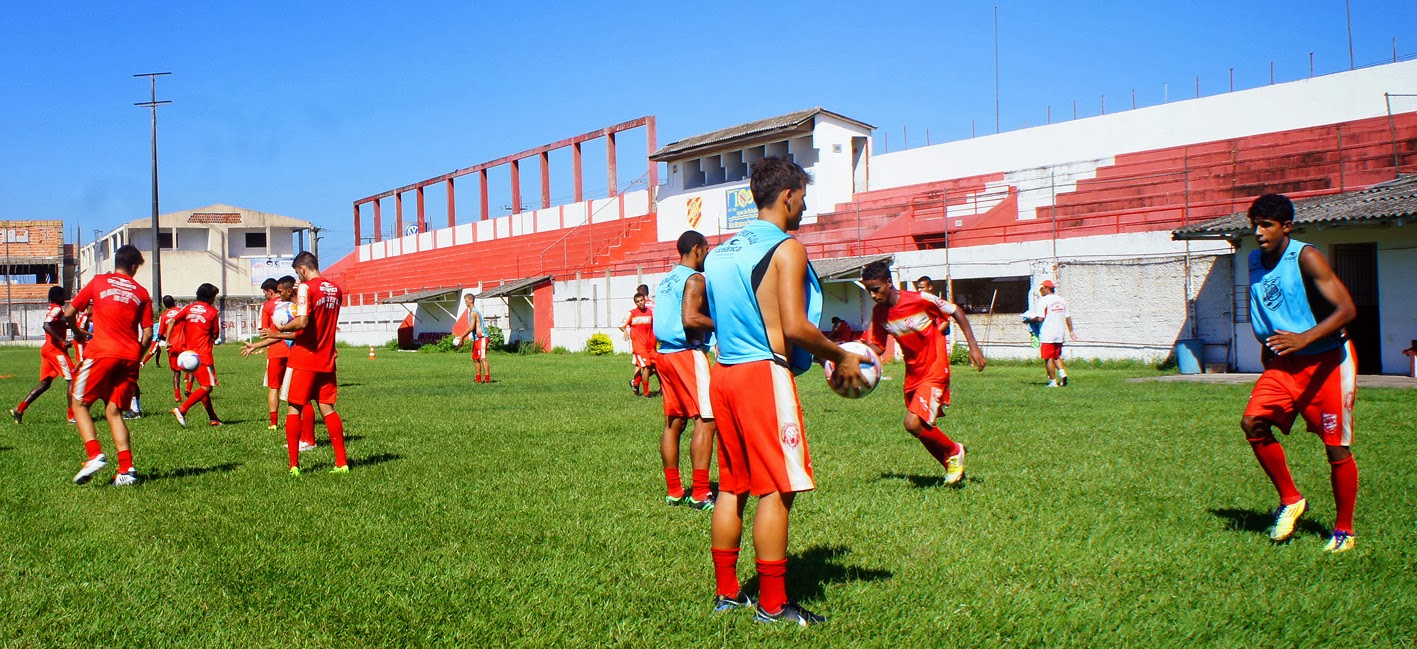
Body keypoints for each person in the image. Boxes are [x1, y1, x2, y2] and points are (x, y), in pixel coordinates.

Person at [704, 156, 867, 626]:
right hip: (762, 377)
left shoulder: (720, 253)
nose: (804, 205)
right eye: (803, 197)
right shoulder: (787, 248)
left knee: (733, 486)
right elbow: (793, 327)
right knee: (777, 488)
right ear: (788, 196)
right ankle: (774, 605)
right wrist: (840, 354)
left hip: (725, 372)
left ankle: (728, 593)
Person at [1240, 193, 1359, 554]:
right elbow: (1271, 309)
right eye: (1254, 225)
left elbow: (1346, 309)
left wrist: (1305, 337)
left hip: (1328, 361)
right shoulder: (1253, 261)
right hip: (1284, 363)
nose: (1259, 232)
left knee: (1336, 448)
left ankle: (1343, 531)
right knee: (1252, 423)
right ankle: (1291, 499)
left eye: (1267, 225)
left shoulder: (1306, 256)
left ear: (1286, 226)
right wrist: (1268, 347)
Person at [861, 261, 985, 485]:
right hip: (912, 373)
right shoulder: (879, 313)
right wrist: (848, 353)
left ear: (889, 283)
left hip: (935, 367)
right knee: (922, 427)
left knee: (912, 423)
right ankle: (952, 465)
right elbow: (878, 347)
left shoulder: (919, 299)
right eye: (868, 290)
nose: (872, 295)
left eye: (876, 289)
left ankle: (954, 450)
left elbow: (955, 310)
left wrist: (973, 347)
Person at [66, 244, 152, 486]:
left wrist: (78, 332)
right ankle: (127, 469)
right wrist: (137, 355)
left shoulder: (98, 282)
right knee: (114, 412)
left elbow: (69, 312)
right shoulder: (142, 292)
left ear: (117, 262)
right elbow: (147, 334)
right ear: (134, 267)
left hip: (102, 352)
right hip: (130, 357)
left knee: (79, 403)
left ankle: (94, 454)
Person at [267, 251, 348, 475]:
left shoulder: (306, 287)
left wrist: (281, 328)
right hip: (327, 356)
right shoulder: (336, 289)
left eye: (297, 274)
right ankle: (342, 463)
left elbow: (302, 321)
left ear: (302, 269)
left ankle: (294, 465)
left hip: (304, 357)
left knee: (294, 406)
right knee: (327, 407)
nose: (298, 279)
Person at [653, 230, 717, 510]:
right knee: (707, 420)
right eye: (706, 248)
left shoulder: (666, 280)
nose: (708, 253)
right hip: (686, 353)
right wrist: (723, 323)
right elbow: (690, 318)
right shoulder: (696, 278)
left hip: (664, 354)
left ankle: (674, 491)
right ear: (697, 250)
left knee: (674, 422)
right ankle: (701, 493)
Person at [243, 276, 318, 451]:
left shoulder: (300, 309)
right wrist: (255, 345)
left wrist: (279, 333)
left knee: (303, 399)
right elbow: (275, 337)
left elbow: (299, 334)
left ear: (289, 290)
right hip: (295, 356)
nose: (278, 294)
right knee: (300, 399)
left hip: (304, 356)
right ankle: (306, 438)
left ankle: (308, 440)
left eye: (280, 291)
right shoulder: (287, 307)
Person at [11, 286, 76, 425]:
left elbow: (58, 324)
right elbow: (46, 325)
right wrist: (62, 340)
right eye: (63, 295)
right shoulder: (57, 308)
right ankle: (72, 416)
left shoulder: (54, 308)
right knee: (72, 379)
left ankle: (20, 408)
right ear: (58, 296)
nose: (65, 298)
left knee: (45, 384)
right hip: (55, 350)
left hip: (48, 349)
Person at [168, 283, 223, 426]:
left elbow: (173, 320)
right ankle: (182, 409)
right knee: (207, 387)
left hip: (188, 354)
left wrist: (167, 340)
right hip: (203, 355)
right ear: (210, 297)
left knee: (203, 387)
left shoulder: (188, 308)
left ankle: (213, 418)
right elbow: (215, 335)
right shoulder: (212, 312)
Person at [1030, 279, 1076, 387]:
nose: (1040, 291)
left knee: (1048, 358)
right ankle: (1062, 373)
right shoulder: (1062, 300)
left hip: (1047, 332)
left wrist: (1029, 320)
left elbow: (1040, 318)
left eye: (1041, 289)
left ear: (1046, 288)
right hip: (1059, 333)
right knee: (1056, 356)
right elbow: (1067, 317)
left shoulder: (1044, 300)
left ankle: (1052, 381)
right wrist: (1071, 331)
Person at [620, 293, 657, 397]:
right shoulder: (632, 313)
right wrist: (625, 331)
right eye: (638, 301)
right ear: (635, 303)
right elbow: (621, 325)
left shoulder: (649, 312)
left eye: (641, 300)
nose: (640, 303)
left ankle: (635, 383)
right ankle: (646, 393)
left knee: (656, 367)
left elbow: (652, 327)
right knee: (647, 366)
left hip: (650, 345)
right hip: (639, 346)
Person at [456, 293, 490, 383]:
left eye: (466, 301)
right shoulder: (470, 312)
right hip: (476, 339)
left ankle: (487, 379)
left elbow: (471, 327)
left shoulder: (474, 312)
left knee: (483, 358)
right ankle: (478, 379)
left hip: (482, 337)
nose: (465, 303)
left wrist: (462, 337)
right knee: (475, 358)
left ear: (471, 300)